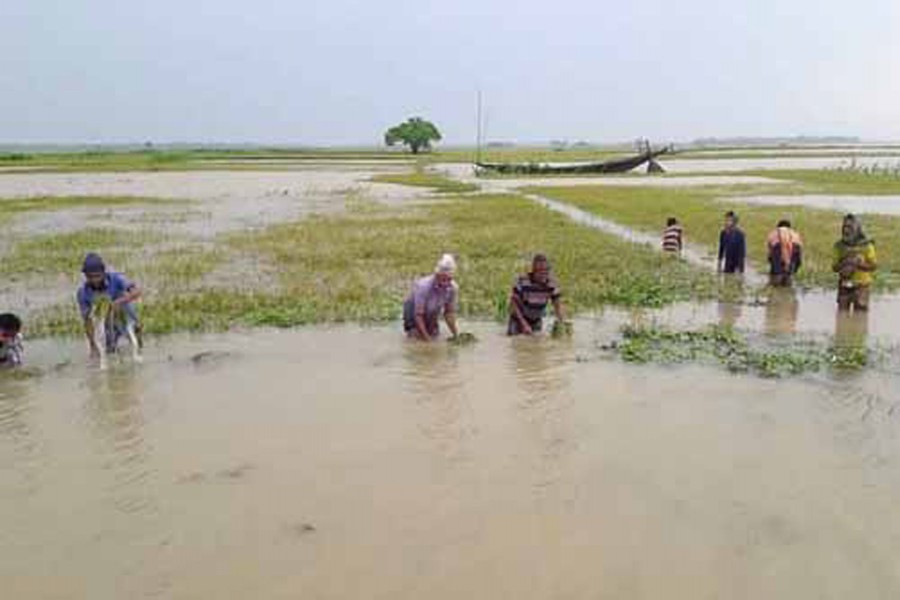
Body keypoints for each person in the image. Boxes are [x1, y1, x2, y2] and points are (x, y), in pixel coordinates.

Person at [76, 253, 143, 357]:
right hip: (106, 322)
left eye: (97, 276)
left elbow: (137, 292)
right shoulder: (83, 293)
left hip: (124, 315)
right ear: (85, 275)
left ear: (103, 272)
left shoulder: (116, 278)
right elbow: (87, 321)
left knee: (136, 344)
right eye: (90, 277)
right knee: (109, 351)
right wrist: (93, 346)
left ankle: (136, 332)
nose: (94, 280)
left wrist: (119, 302)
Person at [403, 253, 459, 341]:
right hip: (413, 311)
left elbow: (449, 313)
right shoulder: (423, 286)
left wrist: (456, 335)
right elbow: (418, 315)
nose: (446, 283)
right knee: (416, 336)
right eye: (443, 279)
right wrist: (428, 341)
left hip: (432, 311)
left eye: (449, 279)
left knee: (434, 334)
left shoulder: (452, 287)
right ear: (437, 275)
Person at [508, 254, 565, 335]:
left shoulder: (551, 284)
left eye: (546, 271)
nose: (543, 274)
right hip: (518, 319)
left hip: (536, 320)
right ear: (534, 271)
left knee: (536, 341)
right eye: (540, 271)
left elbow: (558, 306)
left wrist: (562, 323)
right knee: (515, 339)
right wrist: (523, 324)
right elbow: (513, 305)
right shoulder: (523, 281)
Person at [832, 214, 877, 312]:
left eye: (850, 227)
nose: (846, 230)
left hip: (862, 286)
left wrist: (857, 264)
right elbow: (834, 268)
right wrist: (846, 262)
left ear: (858, 229)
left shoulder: (867, 246)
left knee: (861, 314)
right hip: (844, 285)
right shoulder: (839, 246)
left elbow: (873, 266)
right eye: (844, 227)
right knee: (842, 313)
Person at [766, 219, 803, 286]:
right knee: (788, 272)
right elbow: (800, 248)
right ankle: (787, 284)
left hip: (777, 247)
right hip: (794, 247)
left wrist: (771, 261)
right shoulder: (794, 233)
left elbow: (770, 250)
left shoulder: (774, 232)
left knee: (777, 272)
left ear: (778, 226)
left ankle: (775, 286)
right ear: (789, 227)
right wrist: (797, 263)